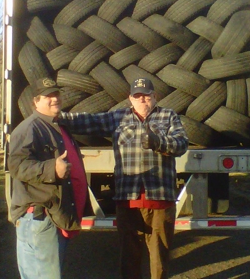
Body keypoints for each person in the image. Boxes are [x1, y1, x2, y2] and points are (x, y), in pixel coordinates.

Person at [60, 77, 188, 279]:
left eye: (146, 95)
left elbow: (181, 144)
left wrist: (158, 142)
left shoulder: (169, 116)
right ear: (130, 98)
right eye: (137, 96)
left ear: (155, 96)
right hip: (128, 199)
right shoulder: (117, 118)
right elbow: (87, 122)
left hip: (161, 199)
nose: (142, 99)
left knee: (160, 256)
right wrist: (56, 117)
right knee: (129, 256)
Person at [8, 77, 89, 279]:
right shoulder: (29, 128)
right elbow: (16, 166)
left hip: (52, 218)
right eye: (48, 96)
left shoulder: (56, 127)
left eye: (56, 94)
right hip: (39, 219)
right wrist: (52, 168)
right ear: (35, 102)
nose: (54, 99)